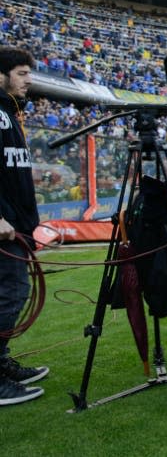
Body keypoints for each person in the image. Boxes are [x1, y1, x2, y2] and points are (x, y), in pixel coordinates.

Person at [0, 47, 48, 406]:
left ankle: (1, 364)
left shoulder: (9, 114)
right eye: (20, 73)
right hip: (4, 227)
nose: (28, 80)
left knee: (11, 294)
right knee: (10, 294)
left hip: (17, 224)